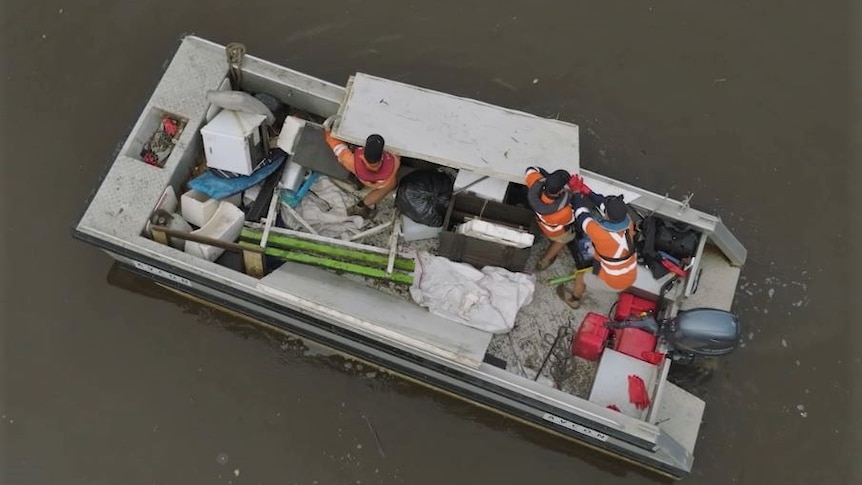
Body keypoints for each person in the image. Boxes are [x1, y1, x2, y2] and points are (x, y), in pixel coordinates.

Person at [557, 175, 638, 309]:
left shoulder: (600, 233)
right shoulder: (628, 222)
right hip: (629, 273)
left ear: (607, 216)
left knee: (581, 276)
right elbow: (603, 204)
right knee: (599, 263)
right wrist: (586, 190)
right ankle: (597, 273)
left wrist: (576, 192)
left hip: (614, 281)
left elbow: (581, 214)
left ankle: (575, 299)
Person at [323, 117, 401, 218]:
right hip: (385, 181)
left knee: (386, 184)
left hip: (367, 180)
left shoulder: (351, 162)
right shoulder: (394, 162)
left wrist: (328, 131)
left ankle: (359, 207)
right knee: (390, 185)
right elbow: (398, 148)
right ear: (382, 155)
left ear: (363, 154)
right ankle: (362, 205)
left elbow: (337, 146)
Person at [524, 166, 577, 272]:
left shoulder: (535, 184)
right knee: (563, 239)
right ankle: (544, 261)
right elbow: (572, 220)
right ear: (561, 190)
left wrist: (549, 178)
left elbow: (530, 169)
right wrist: (575, 192)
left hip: (541, 223)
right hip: (556, 232)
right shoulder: (564, 212)